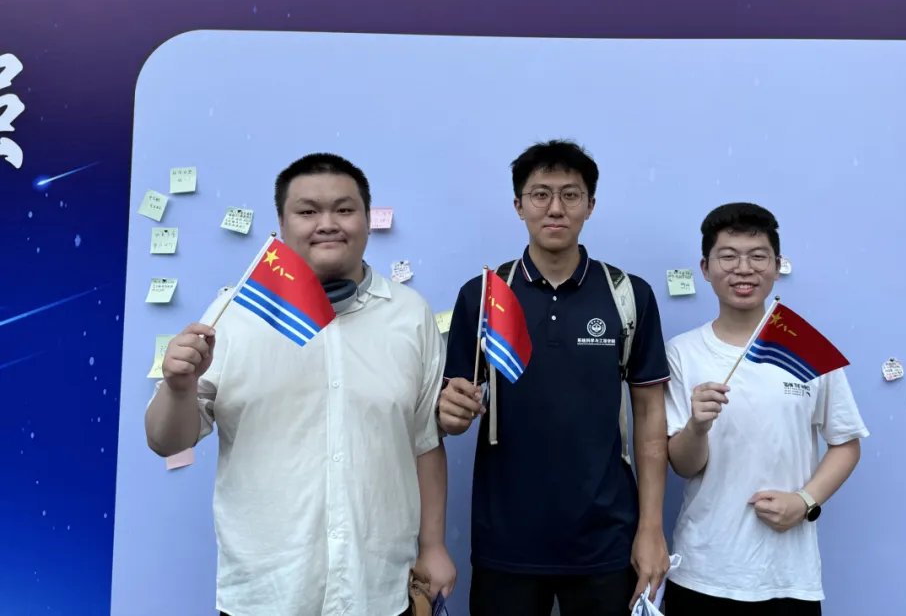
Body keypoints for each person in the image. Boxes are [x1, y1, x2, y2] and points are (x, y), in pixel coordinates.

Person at [144, 153, 455, 616]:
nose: (327, 223)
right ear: (282, 224)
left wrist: (433, 546)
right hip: (264, 592)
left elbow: (424, 442)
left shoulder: (409, 314)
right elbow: (165, 441)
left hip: (378, 588)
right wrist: (178, 387)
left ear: (367, 220)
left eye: (344, 209)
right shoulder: (234, 314)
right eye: (308, 211)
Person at [437, 139, 671, 616]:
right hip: (506, 540)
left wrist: (651, 528)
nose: (556, 208)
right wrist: (451, 413)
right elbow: (451, 414)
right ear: (519, 205)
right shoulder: (483, 296)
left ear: (590, 205)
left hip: (607, 539)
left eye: (570, 194)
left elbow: (650, 417)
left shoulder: (628, 295)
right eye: (540, 194)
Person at [662, 203, 869, 615]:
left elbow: (846, 444)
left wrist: (805, 501)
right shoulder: (682, 352)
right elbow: (683, 466)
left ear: (776, 266)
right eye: (728, 256)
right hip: (703, 570)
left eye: (758, 256)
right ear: (705, 268)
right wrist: (697, 427)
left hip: (788, 576)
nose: (744, 269)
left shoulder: (807, 349)